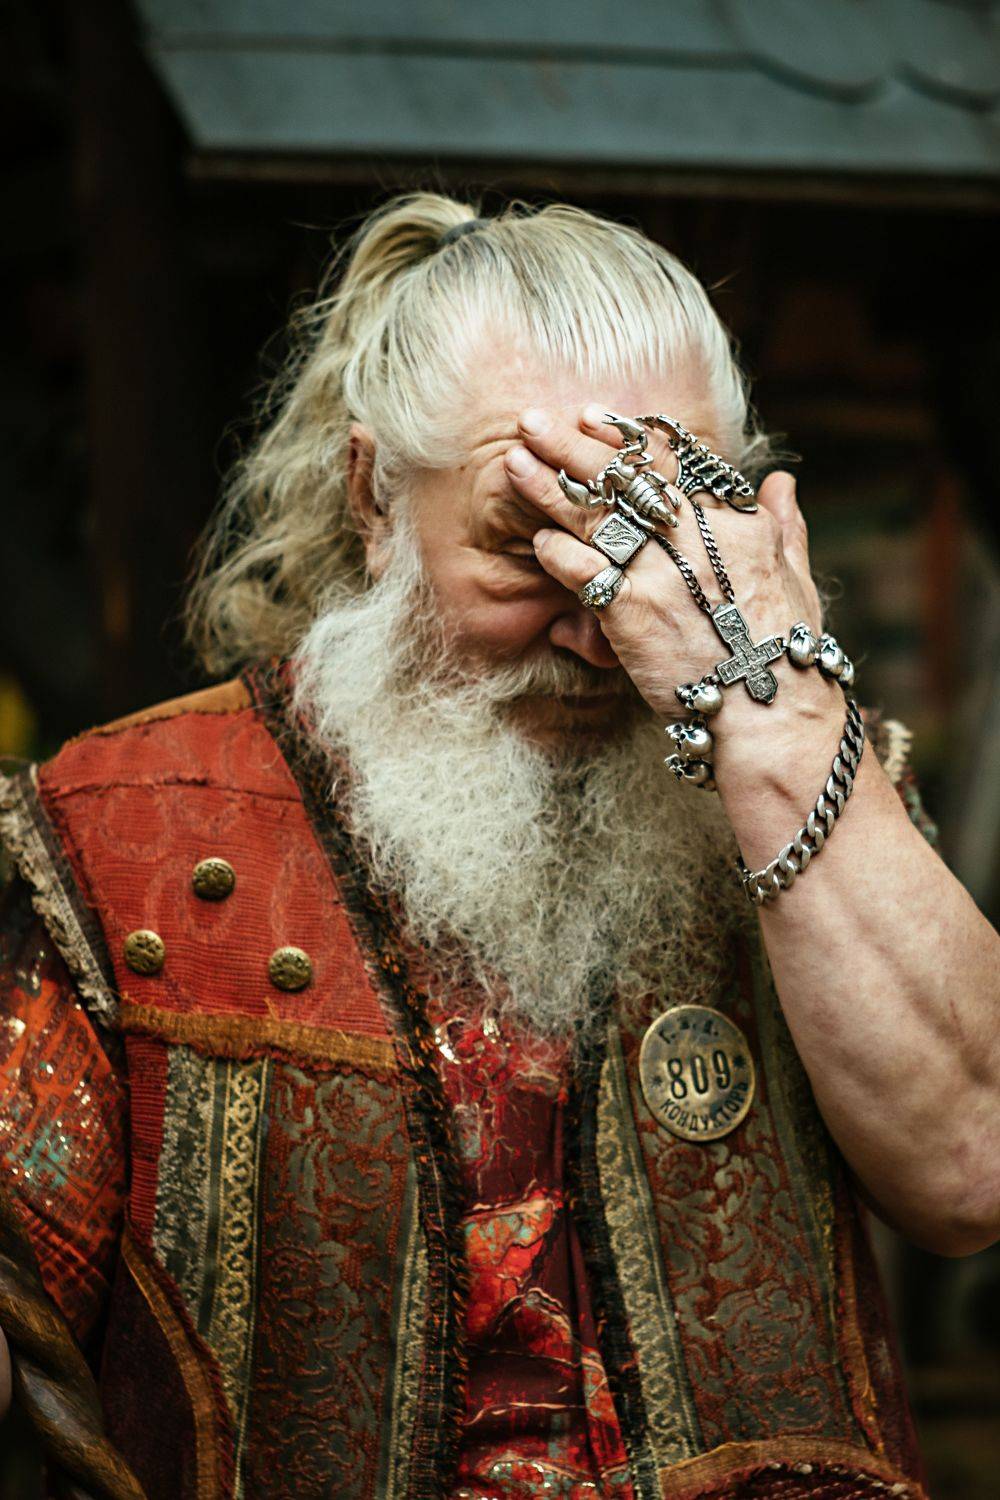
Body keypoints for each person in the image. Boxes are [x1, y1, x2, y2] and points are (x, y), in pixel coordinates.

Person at [1, 193, 997, 1500]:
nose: (603, 630)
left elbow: (972, 1169)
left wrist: (778, 718)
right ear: (372, 498)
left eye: (660, 545)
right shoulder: (112, 836)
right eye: (531, 543)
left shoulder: (825, 773)